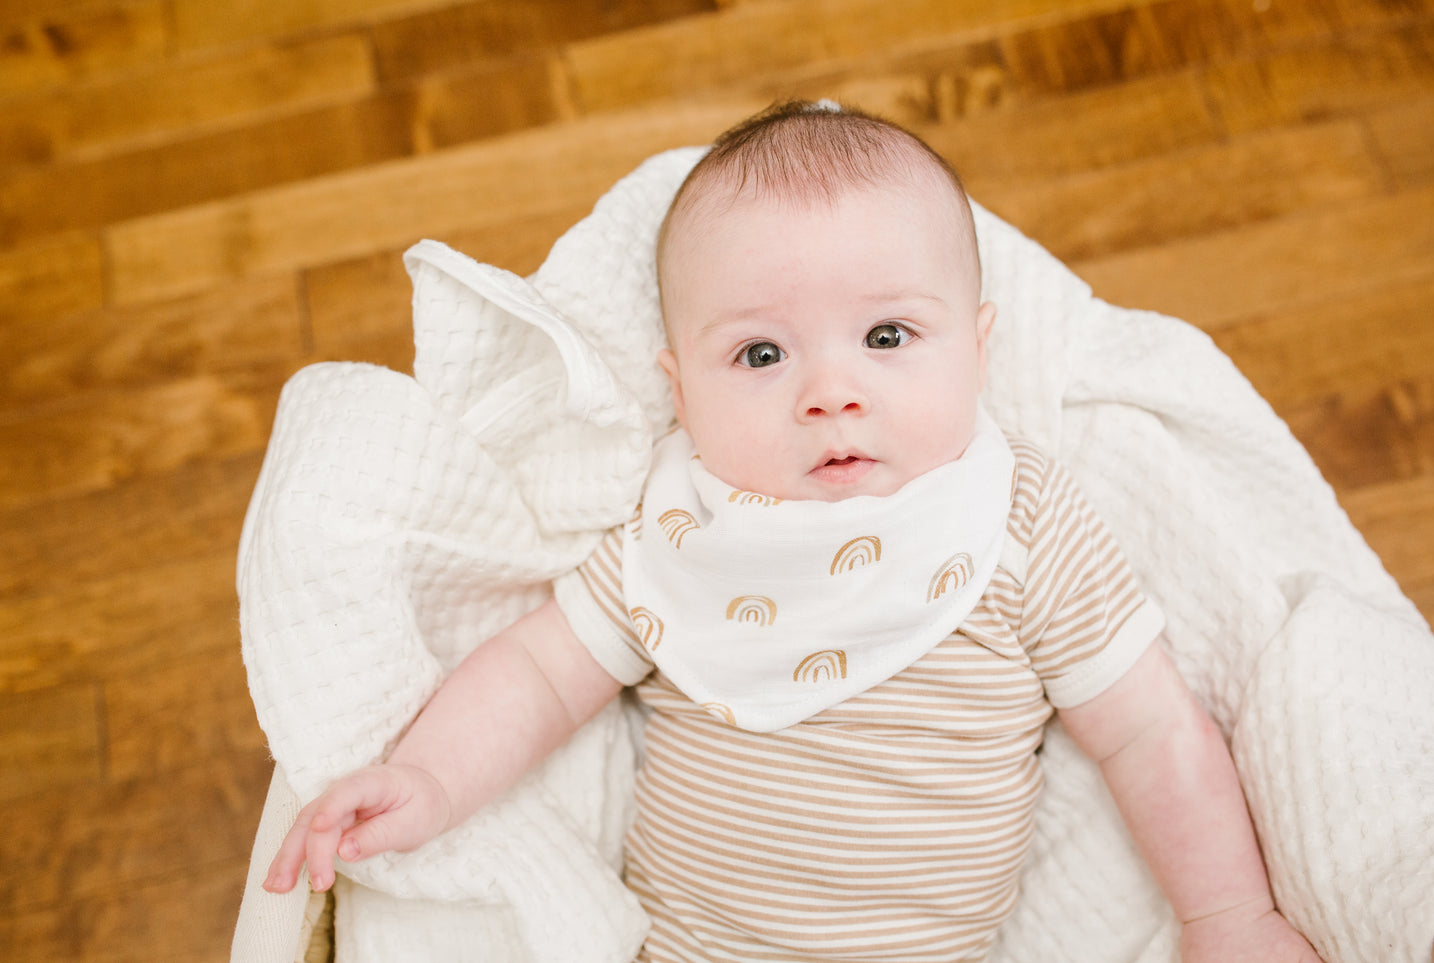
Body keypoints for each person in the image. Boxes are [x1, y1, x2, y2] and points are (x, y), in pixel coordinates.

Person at [265, 102, 1323, 963]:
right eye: (761, 355)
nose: (830, 392)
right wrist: (432, 778)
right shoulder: (679, 529)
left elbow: (1150, 731)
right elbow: (539, 674)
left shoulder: (1019, 519)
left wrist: (1226, 916)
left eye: (886, 335)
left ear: (977, 349)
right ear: (680, 389)